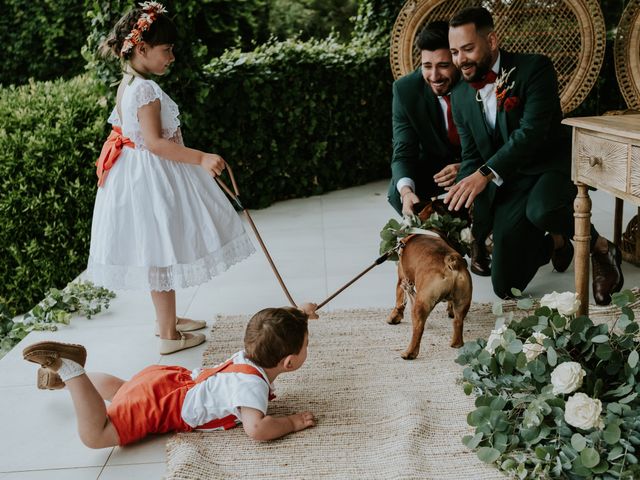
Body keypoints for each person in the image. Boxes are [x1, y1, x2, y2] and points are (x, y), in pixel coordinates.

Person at [86, 2, 256, 354]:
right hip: (149, 178)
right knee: (161, 251)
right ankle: (168, 334)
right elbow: (156, 144)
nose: (172, 57)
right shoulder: (144, 90)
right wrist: (201, 158)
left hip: (136, 175)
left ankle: (169, 318)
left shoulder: (131, 81)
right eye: (166, 50)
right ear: (142, 48)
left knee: (160, 247)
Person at [444, 6, 623, 304]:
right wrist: (462, 197)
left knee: (542, 209)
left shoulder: (535, 68)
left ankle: (602, 248)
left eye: (467, 49)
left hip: (552, 164)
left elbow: (531, 134)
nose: (460, 59)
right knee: (505, 286)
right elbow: (472, 155)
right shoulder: (461, 95)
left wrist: (485, 174)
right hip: (512, 180)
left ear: (492, 41)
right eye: (454, 52)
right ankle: (556, 242)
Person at [22, 305, 317, 448]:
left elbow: (274, 327)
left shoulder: (251, 354)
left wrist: (299, 316)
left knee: (123, 390)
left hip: (164, 380)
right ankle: (71, 371)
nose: (307, 348)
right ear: (288, 363)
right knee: (96, 435)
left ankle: (64, 381)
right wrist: (290, 423)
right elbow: (257, 428)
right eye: (306, 345)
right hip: (163, 406)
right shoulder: (251, 388)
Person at [388, 21, 490, 276]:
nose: (434, 76)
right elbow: (403, 150)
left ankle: (480, 236)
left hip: (480, 162)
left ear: (457, 59)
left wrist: (466, 168)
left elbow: (497, 139)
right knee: (396, 191)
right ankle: (447, 242)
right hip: (436, 166)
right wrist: (407, 191)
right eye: (427, 66)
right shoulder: (405, 90)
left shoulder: (477, 82)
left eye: (444, 65)